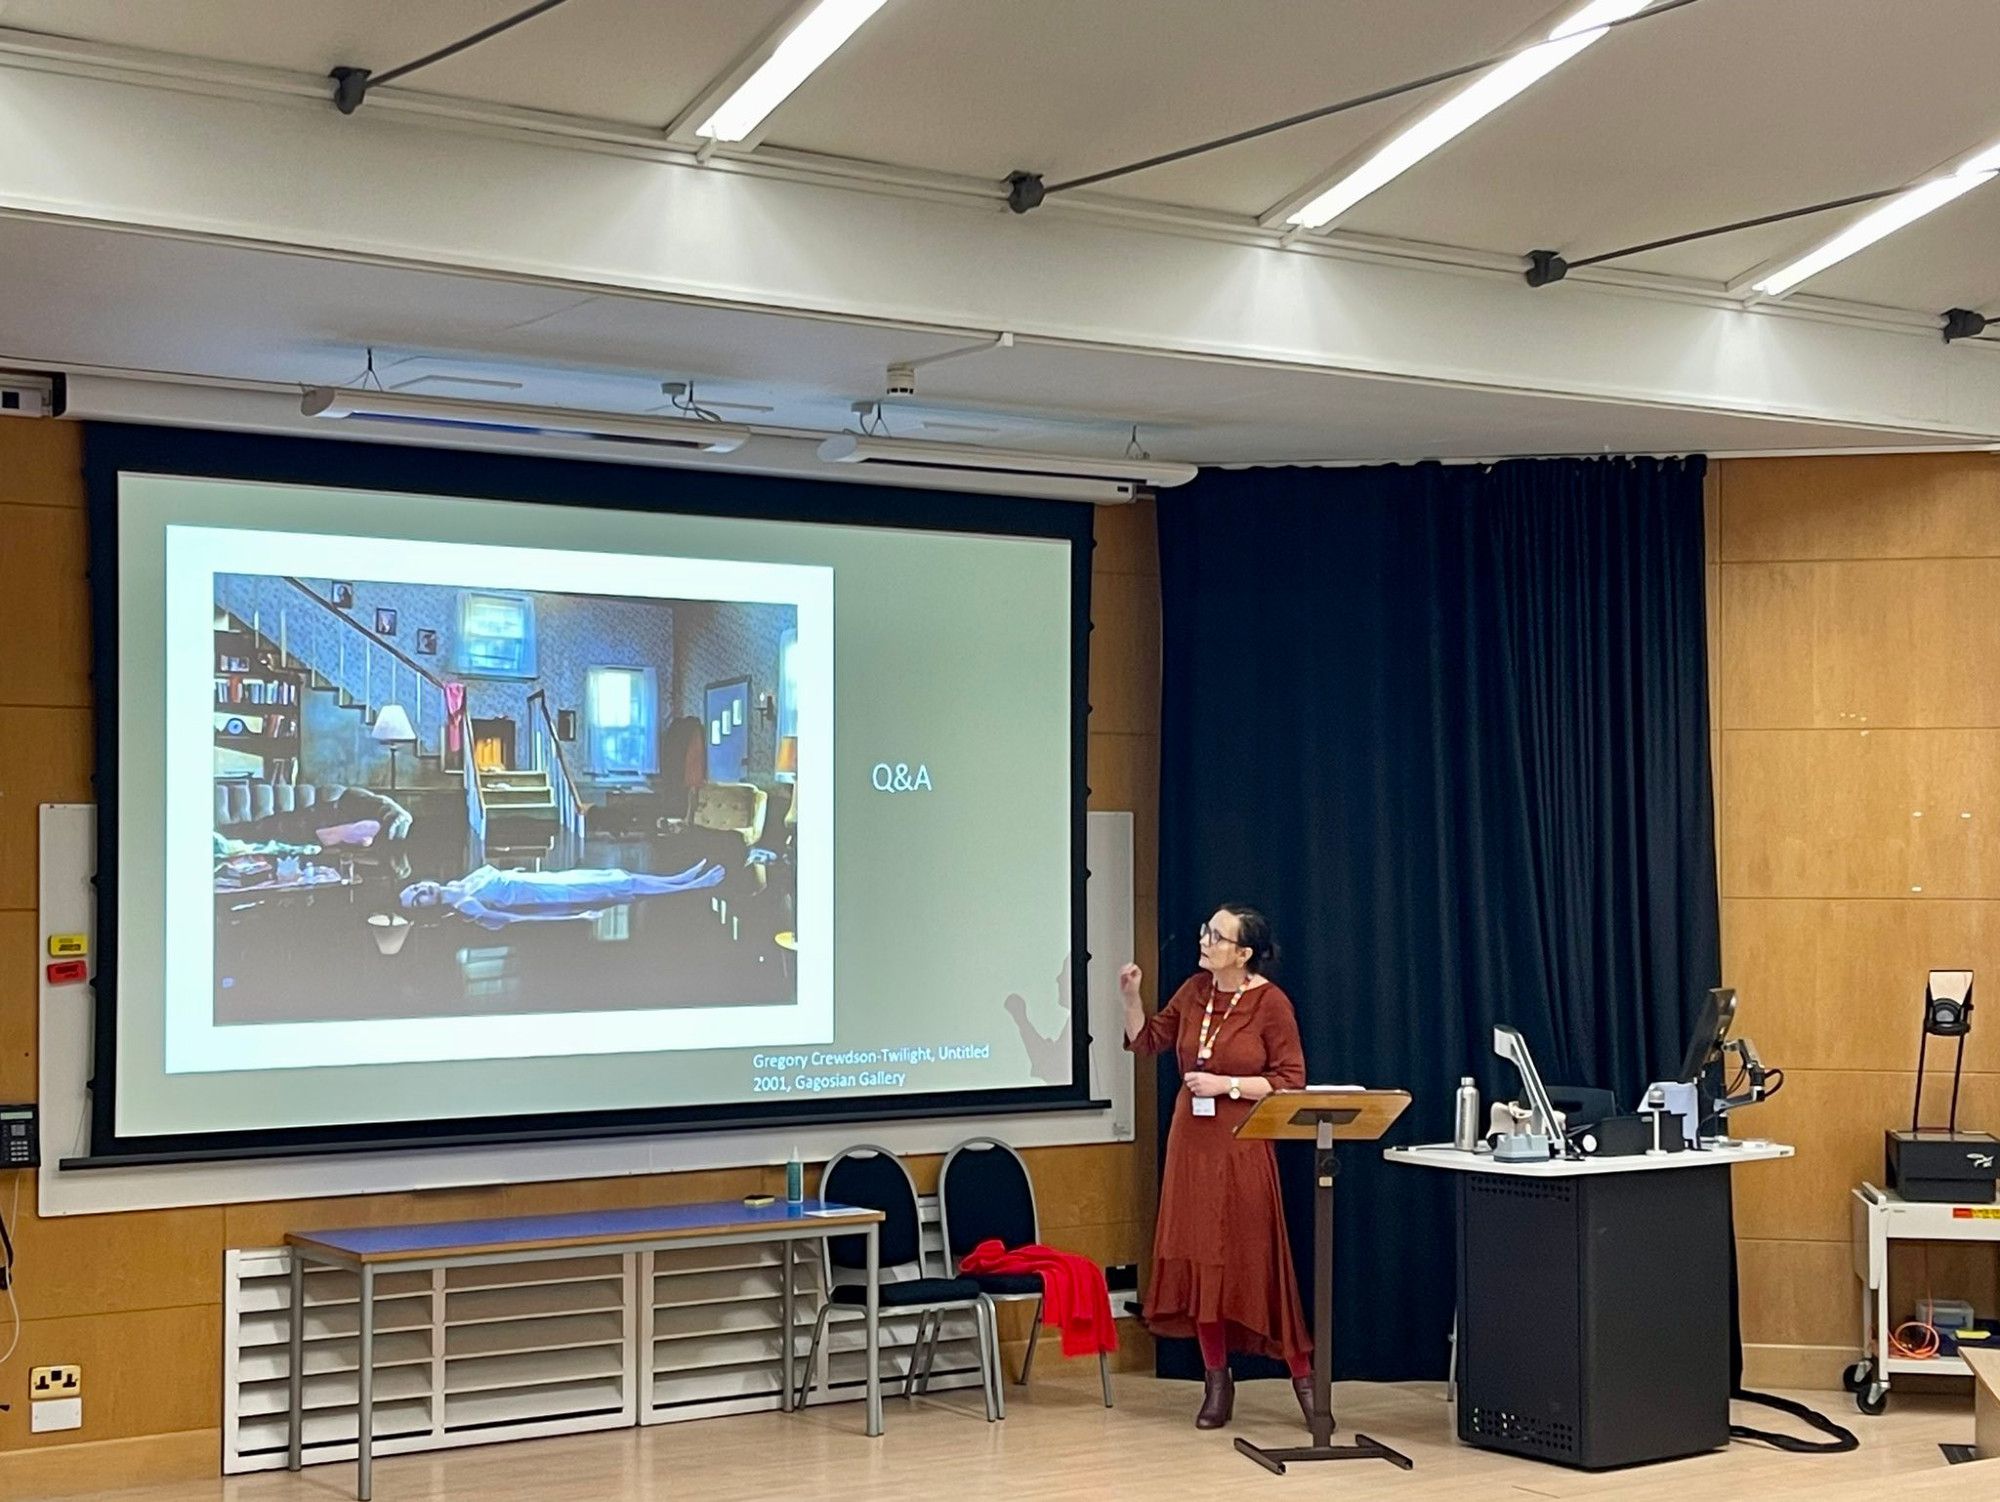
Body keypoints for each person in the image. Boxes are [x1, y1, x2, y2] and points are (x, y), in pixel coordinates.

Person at [1123, 904, 1313, 1431]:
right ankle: (1215, 1383)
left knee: (1257, 1261)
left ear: (1244, 953)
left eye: (1216, 935)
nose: (1203, 939)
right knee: (1202, 1262)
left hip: (1243, 1144)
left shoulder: (1270, 1003)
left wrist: (1226, 1086)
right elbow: (1148, 1041)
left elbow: (1291, 1079)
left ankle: (1304, 1382)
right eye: (1205, 929)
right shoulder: (1193, 990)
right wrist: (1129, 996)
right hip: (1193, 1147)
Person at [399, 859, 723, 929]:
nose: (421, 891)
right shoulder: (469, 906)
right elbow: (520, 918)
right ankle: (693, 885)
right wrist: (577, 915)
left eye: (415, 888)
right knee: (623, 886)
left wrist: (514, 874)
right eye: (419, 899)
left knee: (619, 876)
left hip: (555, 878)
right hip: (557, 893)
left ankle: (677, 876)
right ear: (428, 908)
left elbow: (503, 877)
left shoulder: (465, 880)